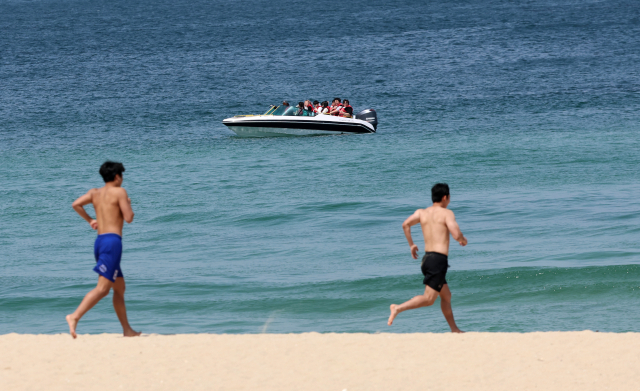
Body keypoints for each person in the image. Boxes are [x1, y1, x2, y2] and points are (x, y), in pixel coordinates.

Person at [66, 161, 140, 339]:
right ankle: (74, 316)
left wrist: (91, 220)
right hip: (113, 243)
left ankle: (127, 330)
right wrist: (128, 205)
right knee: (103, 288)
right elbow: (128, 218)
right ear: (117, 177)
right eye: (121, 176)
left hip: (100, 242)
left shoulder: (94, 193)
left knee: (119, 288)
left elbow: (76, 204)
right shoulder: (120, 192)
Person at [387, 183, 466, 333]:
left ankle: (454, 329)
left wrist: (411, 245)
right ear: (445, 197)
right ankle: (397, 308)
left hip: (427, 259)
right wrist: (463, 239)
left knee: (446, 295)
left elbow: (405, 224)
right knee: (429, 299)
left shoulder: (422, 212)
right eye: (449, 198)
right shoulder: (446, 213)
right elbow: (456, 234)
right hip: (438, 260)